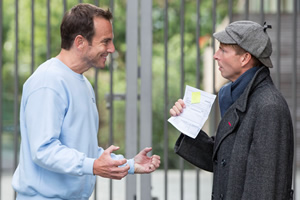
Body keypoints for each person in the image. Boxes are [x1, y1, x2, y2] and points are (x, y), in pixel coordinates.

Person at [12, 3, 160, 200]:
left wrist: (131, 164)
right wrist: (93, 166)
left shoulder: (82, 82)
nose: (112, 48)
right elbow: (43, 150)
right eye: (105, 41)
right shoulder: (48, 82)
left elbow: (84, 150)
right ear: (80, 42)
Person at [170, 20, 294, 200]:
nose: (215, 56)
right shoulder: (240, 96)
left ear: (245, 58)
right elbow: (225, 161)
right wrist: (187, 122)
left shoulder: (269, 107)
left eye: (223, 50)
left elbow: (264, 190)